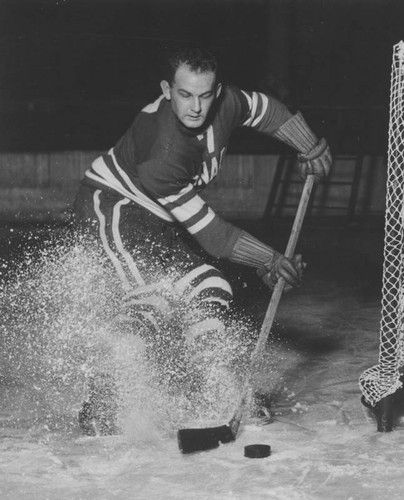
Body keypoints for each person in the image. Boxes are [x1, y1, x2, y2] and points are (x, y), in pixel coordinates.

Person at [74, 46, 332, 435]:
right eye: (184, 94)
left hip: (158, 219)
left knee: (211, 286)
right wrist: (268, 258)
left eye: (204, 95)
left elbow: (265, 110)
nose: (195, 107)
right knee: (153, 297)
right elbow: (210, 232)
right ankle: (102, 399)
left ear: (217, 90)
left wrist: (308, 144)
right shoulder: (163, 149)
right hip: (113, 207)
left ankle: (218, 388)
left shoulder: (225, 103)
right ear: (166, 90)